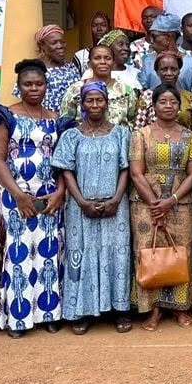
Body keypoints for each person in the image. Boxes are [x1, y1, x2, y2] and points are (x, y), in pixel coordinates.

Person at [0, 59, 73, 337]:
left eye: (39, 84)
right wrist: (19, 195)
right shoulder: (5, 115)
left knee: (50, 251)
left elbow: (63, 159)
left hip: (50, 194)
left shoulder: (56, 117)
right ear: (19, 86)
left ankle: (49, 313)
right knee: (19, 251)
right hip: (16, 193)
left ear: (47, 85)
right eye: (27, 84)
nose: (34, 88)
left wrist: (61, 191)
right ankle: (18, 318)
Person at [51, 82, 132, 335]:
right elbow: (66, 170)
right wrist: (82, 202)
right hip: (80, 206)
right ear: (82, 104)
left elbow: (126, 168)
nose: (95, 105)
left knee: (117, 255)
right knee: (81, 255)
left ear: (107, 102)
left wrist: (117, 199)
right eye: (89, 101)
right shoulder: (71, 136)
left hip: (115, 206)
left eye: (99, 100)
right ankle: (82, 311)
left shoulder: (120, 133)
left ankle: (119, 310)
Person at [129, 84, 192, 330]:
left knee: (181, 253)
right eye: (163, 102)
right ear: (154, 105)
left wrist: (171, 200)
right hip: (144, 204)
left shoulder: (191, 137)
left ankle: (181, 308)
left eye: (173, 102)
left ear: (180, 106)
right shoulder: (140, 135)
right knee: (148, 252)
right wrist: (154, 203)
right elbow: (136, 173)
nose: (169, 106)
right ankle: (154, 310)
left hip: (181, 203)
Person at [61, 45, 138, 127]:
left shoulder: (126, 91)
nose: (103, 62)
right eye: (97, 58)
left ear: (113, 62)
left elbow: (133, 121)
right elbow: (65, 122)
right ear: (89, 63)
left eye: (107, 58)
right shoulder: (75, 90)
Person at [13, 24, 81, 113]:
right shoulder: (33, 70)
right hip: (43, 121)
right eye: (54, 43)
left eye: (62, 42)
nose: (60, 46)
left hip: (69, 123)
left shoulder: (71, 68)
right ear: (42, 45)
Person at [133, 51, 192, 133]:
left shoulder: (191, 98)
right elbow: (138, 129)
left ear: (179, 71)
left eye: (173, 69)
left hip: (185, 144)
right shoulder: (147, 96)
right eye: (164, 69)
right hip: (152, 144)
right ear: (157, 72)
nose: (169, 73)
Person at [138, 13, 192, 92]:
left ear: (169, 37)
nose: (151, 41)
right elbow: (143, 91)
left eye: (154, 36)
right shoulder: (148, 61)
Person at [130, 5, 161, 71]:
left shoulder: (168, 43)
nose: (148, 20)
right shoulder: (133, 46)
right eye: (145, 18)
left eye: (152, 17)